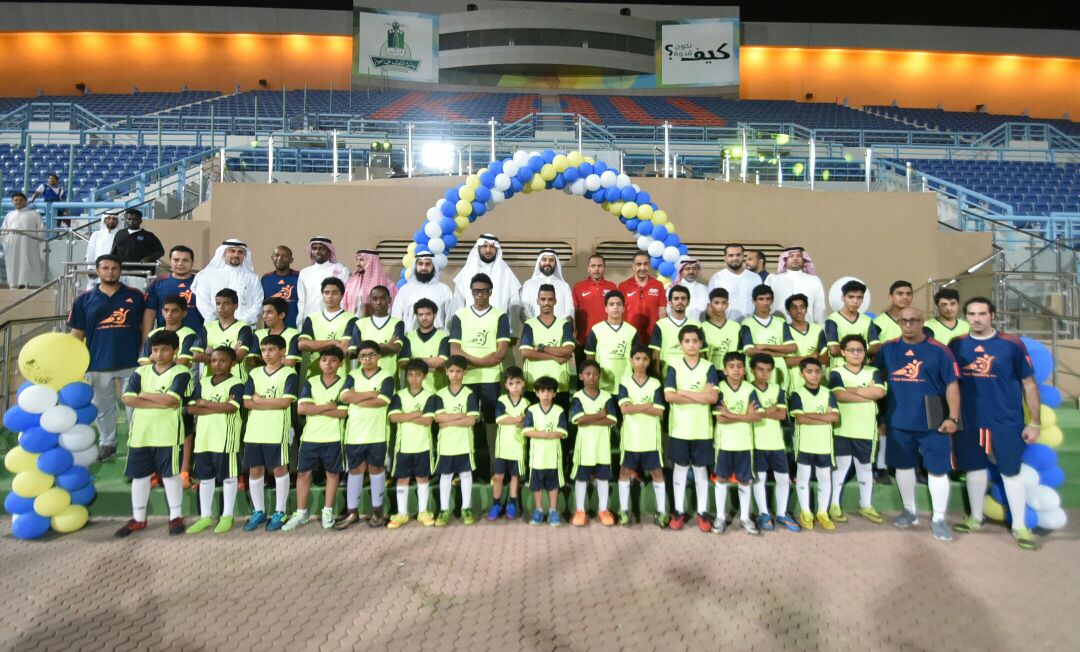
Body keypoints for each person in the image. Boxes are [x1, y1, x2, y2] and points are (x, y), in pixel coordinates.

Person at [950, 297, 1042, 550]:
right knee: (974, 469)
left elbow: (1029, 384)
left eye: (982, 313)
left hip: (1005, 422)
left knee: (1010, 472)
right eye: (971, 314)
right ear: (966, 317)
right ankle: (975, 517)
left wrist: (1035, 422)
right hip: (970, 421)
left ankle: (1020, 525)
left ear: (992, 315)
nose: (976, 318)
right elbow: (950, 384)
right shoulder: (957, 344)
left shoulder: (1011, 344)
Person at [875, 307, 960, 541]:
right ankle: (909, 511)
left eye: (913, 320)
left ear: (923, 322)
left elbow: (952, 385)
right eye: (904, 321)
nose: (908, 325)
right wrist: (882, 416)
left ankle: (939, 519)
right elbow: (876, 376)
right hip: (899, 419)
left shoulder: (939, 350)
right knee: (903, 467)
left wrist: (953, 418)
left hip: (933, 420)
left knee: (937, 469)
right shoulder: (888, 348)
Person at [67, 254, 146, 461]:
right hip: (97, 363)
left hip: (132, 361)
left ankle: (136, 444)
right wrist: (72, 363)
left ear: (120, 271)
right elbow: (76, 334)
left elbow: (144, 327)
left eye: (114, 268)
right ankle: (107, 443)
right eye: (105, 268)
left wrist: (145, 353)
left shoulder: (136, 296)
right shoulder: (83, 300)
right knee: (103, 409)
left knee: (135, 407)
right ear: (97, 271)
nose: (110, 272)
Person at [114, 330, 191, 537]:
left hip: (168, 433)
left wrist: (144, 395)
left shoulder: (181, 372)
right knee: (139, 476)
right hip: (141, 434)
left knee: (170, 475)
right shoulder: (140, 372)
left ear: (175, 350)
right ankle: (139, 519)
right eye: (155, 350)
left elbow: (173, 399)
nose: (159, 354)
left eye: (164, 350)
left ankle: (176, 516)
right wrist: (159, 400)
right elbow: (127, 399)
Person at [448, 273, 511, 477]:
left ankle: (494, 466)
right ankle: (465, 469)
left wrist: (471, 361)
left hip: (491, 379)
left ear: (490, 292)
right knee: (466, 422)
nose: (480, 295)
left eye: (484, 291)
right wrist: (484, 361)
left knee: (492, 422)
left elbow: (501, 353)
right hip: (466, 379)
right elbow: (455, 351)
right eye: (476, 291)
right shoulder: (460, 316)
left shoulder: (500, 316)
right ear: (471, 292)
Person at [283, 346, 348, 532]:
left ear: (340, 363)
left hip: (333, 437)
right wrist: (328, 406)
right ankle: (301, 513)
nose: (328, 364)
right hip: (310, 436)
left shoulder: (344, 384)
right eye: (324, 360)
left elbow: (343, 412)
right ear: (319, 362)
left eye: (333, 360)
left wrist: (316, 408)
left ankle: (327, 511)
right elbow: (302, 409)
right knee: (303, 474)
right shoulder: (310, 382)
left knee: (332, 474)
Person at [664, 325, 720, 532]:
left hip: (702, 428)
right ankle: (678, 511)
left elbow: (712, 397)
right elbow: (669, 396)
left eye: (695, 341)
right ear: (681, 344)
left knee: (700, 469)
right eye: (687, 341)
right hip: (679, 428)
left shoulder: (709, 367)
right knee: (679, 468)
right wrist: (700, 395)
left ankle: (702, 512)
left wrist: (684, 392)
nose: (691, 345)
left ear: (701, 343)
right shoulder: (674, 366)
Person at [242, 334, 299, 533]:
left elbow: (285, 402)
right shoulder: (254, 373)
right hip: (254, 430)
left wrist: (259, 401)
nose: (266, 354)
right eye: (264, 350)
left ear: (282, 351)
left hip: (277, 430)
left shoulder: (289, 373)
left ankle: (280, 511)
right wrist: (265, 403)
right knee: (255, 471)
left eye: (271, 349)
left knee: (279, 470)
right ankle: (259, 511)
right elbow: (247, 402)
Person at [185, 346, 244, 534]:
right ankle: (205, 516)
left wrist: (205, 403)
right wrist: (218, 406)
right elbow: (191, 409)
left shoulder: (237, 383)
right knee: (205, 478)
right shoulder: (203, 383)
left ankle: (227, 516)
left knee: (229, 477)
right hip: (204, 438)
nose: (217, 364)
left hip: (225, 438)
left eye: (223, 361)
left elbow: (231, 407)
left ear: (232, 363)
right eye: (214, 360)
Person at [828, 335, 886, 525]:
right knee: (841, 468)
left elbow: (879, 392)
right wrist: (867, 393)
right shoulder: (836, 372)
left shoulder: (873, 371)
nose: (856, 353)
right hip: (842, 428)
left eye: (860, 350)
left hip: (866, 429)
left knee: (865, 467)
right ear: (843, 352)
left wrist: (851, 390)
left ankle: (866, 505)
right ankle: (834, 505)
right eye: (851, 350)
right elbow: (839, 395)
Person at [337, 339, 396, 529]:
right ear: (359, 359)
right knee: (355, 470)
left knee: (376, 469)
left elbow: (383, 400)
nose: (367, 359)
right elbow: (344, 396)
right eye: (363, 356)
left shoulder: (386, 376)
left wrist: (356, 398)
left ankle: (377, 511)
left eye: (371, 355)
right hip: (355, 433)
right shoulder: (353, 375)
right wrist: (371, 393)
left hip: (377, 432)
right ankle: (352, 512)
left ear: (378, 356)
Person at [617, 343, 669, 528]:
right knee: (625, 471)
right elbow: (624, 409)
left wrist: (635, 406)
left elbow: (660, 411)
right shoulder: (624, 382)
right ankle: (624, 510)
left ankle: (661, 511)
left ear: (648, 362)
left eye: (644, 359)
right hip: (631, 437)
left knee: (657, 472)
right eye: (637, 358)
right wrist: (647, 405)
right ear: (631, 360)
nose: (640, 362)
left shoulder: (655, 383)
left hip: (650, 437)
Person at [747, 354, 799, 533]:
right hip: (756, 442)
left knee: (783, 479)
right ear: (752, 370)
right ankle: (764, 513)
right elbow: (751, 415)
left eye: (768, 370)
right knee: (759, 479)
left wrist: (761, 412)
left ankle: (782, 513)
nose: (765, 373)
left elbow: (781, 414)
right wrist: (769, 409)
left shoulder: (778, 389)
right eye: (760, 369)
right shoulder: (747, 389)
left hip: (776, 442)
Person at [713, 351, 763, 535]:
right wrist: (745, 415)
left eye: (739, 367)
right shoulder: (719, 388)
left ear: (744, 370)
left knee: (744, 480)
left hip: (744, 443)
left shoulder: (750, 389)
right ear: (725, 370)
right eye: (731, 367)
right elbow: (721, 419)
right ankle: (720, 517)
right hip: (724, 443)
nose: (736, 370)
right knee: (721, 478)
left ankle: (745, 518)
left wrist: (731, 414)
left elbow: (756, 416)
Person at [789, 358, 840, 531]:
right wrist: (824, 417)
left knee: (824, 477)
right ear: (801, 374)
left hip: (824, 444)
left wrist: (810, 415)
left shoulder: (828, 393)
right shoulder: (796, 394)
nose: (814, 375)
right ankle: (806, 512)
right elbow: (800, 419)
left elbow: (835, 417)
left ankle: (822, 512)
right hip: (804, 443)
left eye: (818, 371)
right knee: (803, 477)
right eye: (809, 371)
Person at [387, 359, 438, 529]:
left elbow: (428, 420)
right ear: (406, 376)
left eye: (417, 375)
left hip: (423, 445)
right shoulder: (399, 395)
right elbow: (394, 418)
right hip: (403, 447)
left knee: (422, 478)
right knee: (402, 479)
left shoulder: (430, 396)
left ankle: (423, 512)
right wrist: (416, 414)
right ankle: (402, 513)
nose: (414, 378)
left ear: (424, 376)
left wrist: (406, 415)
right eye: (410, 374)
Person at [431, 356, 481, 527]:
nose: (454, 374)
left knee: (466, 474)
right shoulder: (440, 394)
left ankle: (466, 508)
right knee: (445, 476)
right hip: (445, 444)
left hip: (464, 443)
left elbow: (471, 420)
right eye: (451, 371)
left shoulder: (469, 394)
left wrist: (448, 420)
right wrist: (460, 415)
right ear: (446, 372)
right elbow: (438, 418)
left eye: (458, 371)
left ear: (464, 372)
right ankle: (444, 510)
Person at [569, 360, 619, 527]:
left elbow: (612, 419)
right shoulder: (577, 397)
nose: (591, 377)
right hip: (585, 447)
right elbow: (580, 420)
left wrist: (590, 418)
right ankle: (580, 511)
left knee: (603, 478)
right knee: (581, 479)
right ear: (581, 376)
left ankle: (603, 510)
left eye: (595, 374)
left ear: (599, 376)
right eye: (588, 374)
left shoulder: (607, 397)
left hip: (602, 445)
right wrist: (601, 414)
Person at [524, 376, 569, 527]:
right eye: (542, 391)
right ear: (536, 393)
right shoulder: (531, 410)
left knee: (553, 485)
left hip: (553, 457)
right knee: (536, 486)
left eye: (550, 391)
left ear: (554, 393)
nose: (546, 394)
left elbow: (561, 433)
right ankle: (538, 510)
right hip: (536, 457)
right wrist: (548, 434)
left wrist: (540, 433)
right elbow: (527, 431)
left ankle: (553, 511)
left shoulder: (559, 411)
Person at [519, 284, 574, 398]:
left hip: (560, 384)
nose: (546, 303)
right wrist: (555, 357)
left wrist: (542, 348)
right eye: (543, 299)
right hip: (534, 384)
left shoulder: (564, 324)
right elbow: (526, 352)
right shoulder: (529, 324)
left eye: (550, 299)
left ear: (555, 301)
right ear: (538, 301)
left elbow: (568, 350)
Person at [191, 239, 263, 325]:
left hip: (244, 326)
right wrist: (216, 322)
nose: (236, 255)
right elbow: (202, 302)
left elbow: (258, 303)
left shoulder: (252, 278)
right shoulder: (208, 274)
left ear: (244, 256)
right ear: (223, 253)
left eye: (240, 252)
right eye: (232, 251)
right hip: (214, 326)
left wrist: (242, 322)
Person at [489, 366, 529, 521]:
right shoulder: (502, 400)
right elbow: (500, 419)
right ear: (506, 385)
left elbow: (527, 424)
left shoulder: (526, 403)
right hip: (502, 448)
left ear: (523, 383)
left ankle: (512, 504)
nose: (515, 387)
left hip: (518, 447)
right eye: (511, 383)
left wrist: (512, 420)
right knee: (498, 477)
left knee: (515, 477)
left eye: (518, 383)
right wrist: (518, 419)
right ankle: (496, 504)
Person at [451, 234, 521, 318]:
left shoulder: (506, 273)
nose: (488, 250)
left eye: (492, 246)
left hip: (497, 322)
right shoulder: (466, 272)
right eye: (485, 246)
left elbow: (514, 306)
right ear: (478, 248)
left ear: (496, 249)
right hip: (471, 322)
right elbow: (458, 304)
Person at [192, 289, 255, 382]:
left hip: (236, 381)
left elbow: (238, 357)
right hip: (209, 381)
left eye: (226, 304)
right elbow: (196, 356)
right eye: (218, 303)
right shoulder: (208, 327)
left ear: (235, 306)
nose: (221, 307)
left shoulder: (244, 328)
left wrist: (212, 352)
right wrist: (231, 351)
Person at [298, 278, 356, 379]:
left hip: (340, 377)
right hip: (314, 375)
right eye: (326, 292)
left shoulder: (351, 318)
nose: (330, 296)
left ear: (342, 295)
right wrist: (333, 342)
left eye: (335, 293)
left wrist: (315, 345)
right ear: (322, 295)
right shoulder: (312, 318)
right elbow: (302, 344)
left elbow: (343, 348)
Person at [740, 285, 797, 387]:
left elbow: (792, 347)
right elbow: (750, 351)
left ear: (772, 301)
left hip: (779, 370)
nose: (765, 302)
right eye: (761, 299)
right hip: (757, 372)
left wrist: (765, 346)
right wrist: (779, 354)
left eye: (768, 299)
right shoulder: (747, 323)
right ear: (754, 301)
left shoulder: (781, 322)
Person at [585, 291, 638, 394]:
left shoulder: (632, 331)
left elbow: (637, 359)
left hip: (627, 387)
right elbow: (590, 359)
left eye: (619, 304)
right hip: (603, 387)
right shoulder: (596, 330)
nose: (615, 307)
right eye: (611, 304)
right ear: (606, 308)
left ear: (623, 308)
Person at [349, 284, 403, 380]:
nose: (379, 302)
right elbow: (352, 353)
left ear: (389, 300)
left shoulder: (398, 323)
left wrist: (363, 349)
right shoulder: (360, 323)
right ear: (370, 301)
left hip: (388, 376)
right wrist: (386, 345)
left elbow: (395, 348)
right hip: (364, 378)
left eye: (383, 298)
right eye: (375, 299)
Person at [143, 245, 202, 334]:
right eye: (176, 260)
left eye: (185, 260)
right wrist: (146, 340)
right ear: (170, 261)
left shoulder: (201, 283)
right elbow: (150, 313)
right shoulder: (157, 283)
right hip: (165, 339)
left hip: (196, 338)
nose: (180, 264)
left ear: (192, 262)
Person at [392, 251, 454, 333]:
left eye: (427, 264)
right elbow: (396, 317)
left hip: (438, 338)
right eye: (420, 264)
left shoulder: (444, 290)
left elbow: (450, 318)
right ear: (415, 266)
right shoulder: (404, 290)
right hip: (409, 338)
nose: (424, 268)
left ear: (433, 267)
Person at [296, 237, 350, 328]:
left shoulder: (341, 270)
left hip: (333, 319)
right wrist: (300, 322)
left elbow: (344, 297)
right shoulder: (304, 273)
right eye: (314, 248)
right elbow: (301, 300)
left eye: (321, 249)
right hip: (309, 319)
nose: (317, 251)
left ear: (329, 251)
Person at [825, 280, 880, 369]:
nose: (855, 301)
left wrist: (849, 350)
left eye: (859, 298)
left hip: (863, 370)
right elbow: (834, 349)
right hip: (839, 370)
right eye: (851, 297)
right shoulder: (832, 320)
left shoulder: (867, 320)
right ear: (843, 298)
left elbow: (876, 347)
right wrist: (861, 350)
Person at [397, 298, 449, 392]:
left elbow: (441, 362)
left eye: (428, 314)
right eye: (420, 315)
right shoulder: (409, 337)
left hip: (437, 392)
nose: (424, 318)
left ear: (434, 315)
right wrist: (431, 362)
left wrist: (414, 360)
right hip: (413, 392)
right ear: (416, 316)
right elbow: (402, 363)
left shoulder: (444, 336)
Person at [571, 253, 618, 355]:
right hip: (584, 339)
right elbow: (574, 313)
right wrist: (573, 335)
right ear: (588, 268)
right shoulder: (578, 287)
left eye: (600, 266)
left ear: (604, 268)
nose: (596, 269)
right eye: (593, 266)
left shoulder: (612, 287)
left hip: (607, 338)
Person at [651, 284, 700, 379]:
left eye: (683, 298)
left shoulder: (696, 326)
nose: (680, 301)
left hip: (691, 378)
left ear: (688, 302)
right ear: (670, 302)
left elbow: (701, 354)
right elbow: (655, 354)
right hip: (667, 377)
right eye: (676, 298)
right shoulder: (660, 325)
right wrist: (657, 377)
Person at [618, 252, 667, 345]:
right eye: (639, 264)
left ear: (650, 265)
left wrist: (662, 333)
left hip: (653, 337)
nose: (643, 268)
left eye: (645, 264)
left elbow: (662, 312)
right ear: (633, 267)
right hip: (629, 337)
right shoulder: (623, 286)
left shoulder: (658, 285)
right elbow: (618, 312)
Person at [767, 247, 826, 324]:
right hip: (778, 327)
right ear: (785, 259)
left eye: (798, 256)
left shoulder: (814, 280)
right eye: (791, 256)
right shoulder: (773, 279)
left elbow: (820, 309)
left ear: (804, 260)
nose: (795, 258)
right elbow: (765, 305)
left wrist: (821, 328)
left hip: (806, 328)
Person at [784, 293, 827, 394]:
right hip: (795, 386)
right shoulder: (784, 331)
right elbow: (786, 361)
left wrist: (798, 359)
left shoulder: (817, 329)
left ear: (806, 310)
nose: (799, 311)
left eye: (802, 307)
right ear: (788, 311)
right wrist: (811, 357)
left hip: (817, 385)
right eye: (794, 307)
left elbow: (826, 359)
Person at [707, 244, 759, 321]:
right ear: (725, 258)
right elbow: (710, 307)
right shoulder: (717, 278)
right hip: (725, 325)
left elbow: (760, 305)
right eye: (731, 255)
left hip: (750, 325)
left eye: (738, 255)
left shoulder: (755, 278)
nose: (735, 258)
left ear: (743, 256)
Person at [2, 191, 44, 288]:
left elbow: (41, 230)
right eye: (16, 200)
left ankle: (28, 284)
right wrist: (6, 242)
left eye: (20, 200)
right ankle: (13, 283)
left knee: (28, 263)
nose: (18, 202)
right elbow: (4, 230)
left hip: (29, 244)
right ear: (13, 202)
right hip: (12, 245)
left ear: (25, 201)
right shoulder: (9, 215)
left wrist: (36, 241)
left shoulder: (34, 214)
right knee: (13, 263)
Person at [520, 249, 574, 323]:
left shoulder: (564, 286)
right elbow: (524, 309)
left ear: (556, 263)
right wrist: (533, 324)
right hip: (534, 327)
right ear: (539, 262)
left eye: (551, 260)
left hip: (559, 328)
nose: (547, 263)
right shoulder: (528, 284)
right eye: (544, 260)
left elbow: (569, 310)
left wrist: (560, 325)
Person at [250, 297, 302, 369]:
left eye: (269, 312)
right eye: (263, 312)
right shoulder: (258, 334)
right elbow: (251, 361)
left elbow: (290, 361)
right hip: (262, 376)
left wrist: (263, 358)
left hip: (286, 375)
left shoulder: (293, 333)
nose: (264, 316)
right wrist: (280, 358)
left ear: (282, 315)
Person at [343, 249, 397, 316]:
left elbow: (392, 309)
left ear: (371, 262)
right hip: (353, 320)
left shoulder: (388, 285)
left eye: (361, 260)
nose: (358, 264)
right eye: (357, 260)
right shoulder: (351, 282)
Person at [260, 245, 300, 329]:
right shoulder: (266, 279)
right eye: (276, 255)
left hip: (294, 328)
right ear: (272, 258)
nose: (280, 258)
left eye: (284, 256)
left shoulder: (299, 277)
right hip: (271, 330)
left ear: (291, 260)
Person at [702, 288, 741, 371]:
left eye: (723, 303)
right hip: (710, 372)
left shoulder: (736, 327)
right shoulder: (702, 327)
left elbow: (740, 354)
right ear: (710, 305)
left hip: (731, 373)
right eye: (716, 303)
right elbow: (701, 355)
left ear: (728, 305)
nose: (720, 306)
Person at [871, 280, 913, 355]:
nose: (905, 297)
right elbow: (872, 350)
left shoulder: (919, 323)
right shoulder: (877, 323)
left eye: (908, 294)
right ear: (891, 297)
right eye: (900, 294)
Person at [672, 255, 708, 320]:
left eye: (694, 269)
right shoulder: (673, 288)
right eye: (687, 269)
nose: (691, 271)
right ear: (681, 271)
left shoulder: (704, 288)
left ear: (697, 271)